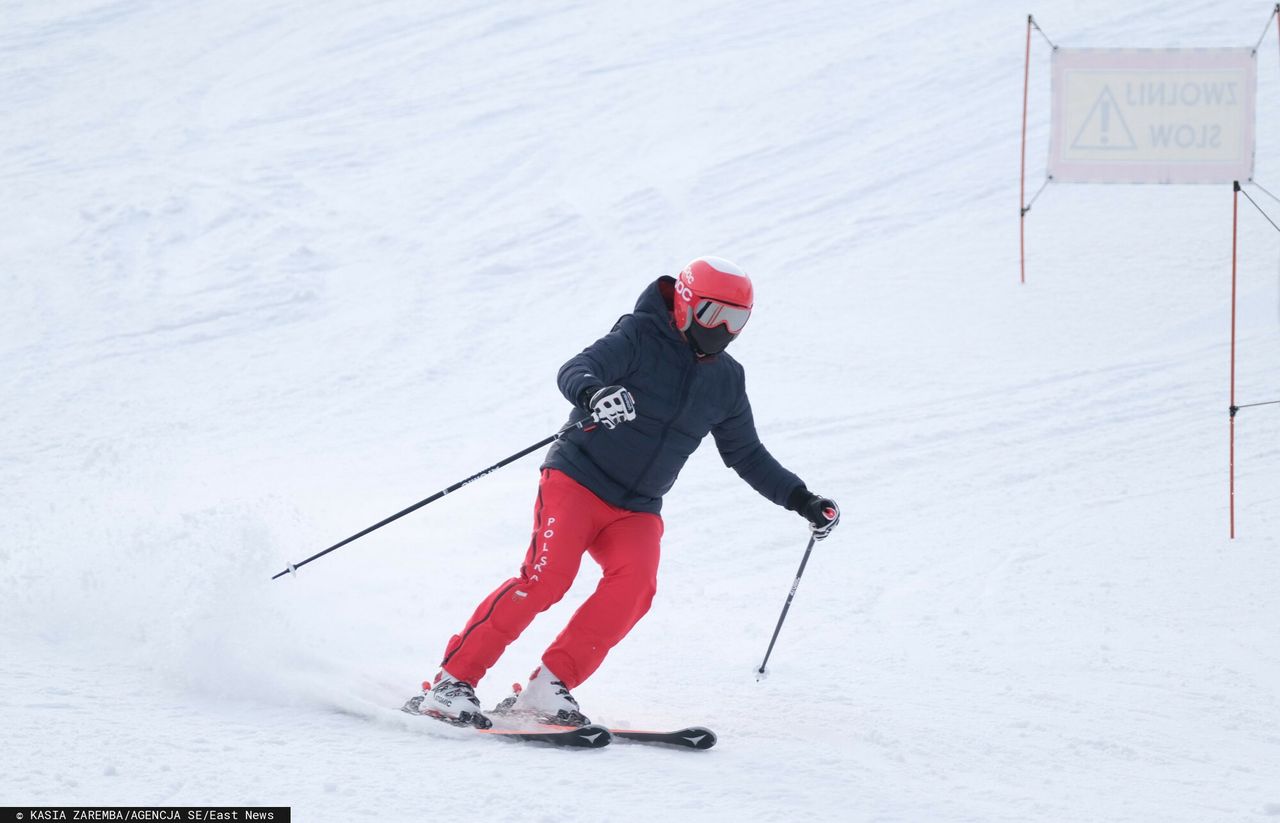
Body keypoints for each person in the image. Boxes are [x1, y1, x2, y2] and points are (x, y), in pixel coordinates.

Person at [402, 256, 840, 728]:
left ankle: (549, 687)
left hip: (636, 507)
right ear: (687, 303)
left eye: (738, 320)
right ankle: (452, 682)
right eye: (715, 314)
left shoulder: (726, 380)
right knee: (546, 579)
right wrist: (595, 394)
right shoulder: (639, 335)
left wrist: (802, 500)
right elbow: (577, 368)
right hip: (577, 478)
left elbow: (747, 454)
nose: (725, 329)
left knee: (635, 588)